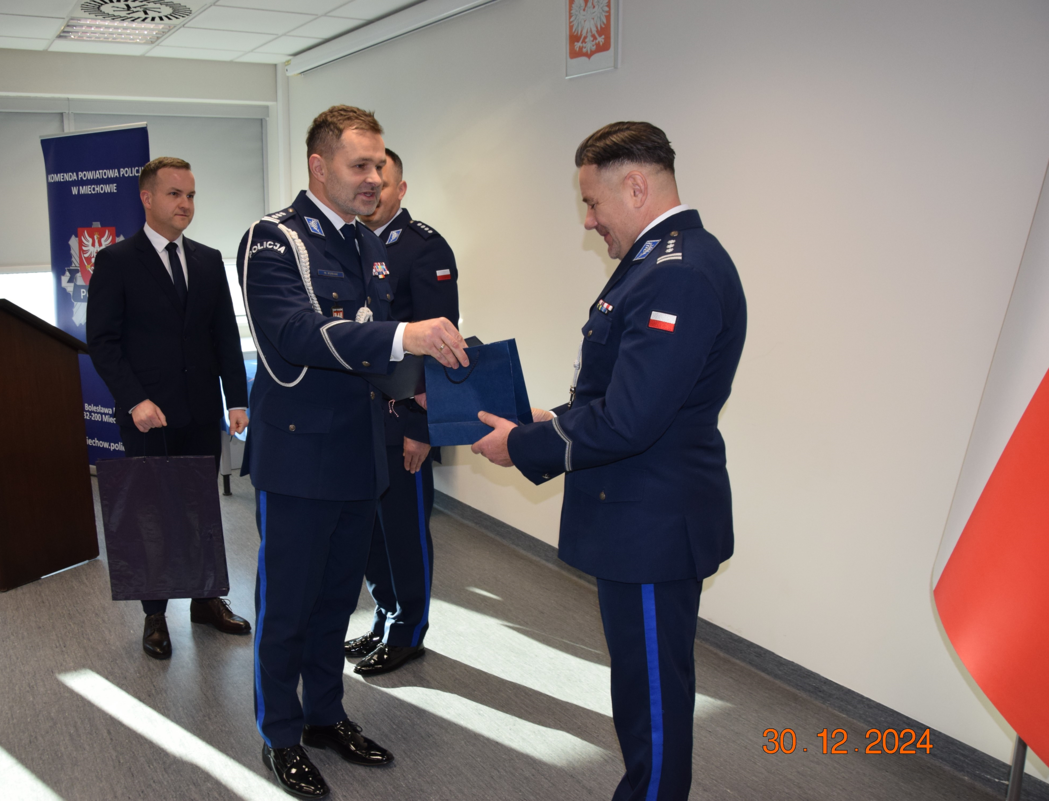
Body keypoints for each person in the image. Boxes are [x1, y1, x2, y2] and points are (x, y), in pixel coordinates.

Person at [472, 121, 747, 801]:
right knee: (642, 688)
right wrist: (549, 421)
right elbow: (624, 395)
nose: (589, 221)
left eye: (593, 203)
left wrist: (522, 446)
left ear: (636, 186)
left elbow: (630, 419)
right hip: (639, 514)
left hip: (652, 523)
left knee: (652, 699)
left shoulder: (676, 273)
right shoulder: (661, 262)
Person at [238, 106, 467, 800]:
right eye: (359, 165)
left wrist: (434, 389)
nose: (373, 177)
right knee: (288, 606)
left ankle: (324, 714)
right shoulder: (274, 239)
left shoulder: (366, 243)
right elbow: (297, 333)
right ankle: (280, 734)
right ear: (319, 166)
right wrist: (405, 338)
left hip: (361, 451)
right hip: (299, 457)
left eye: (379, 166)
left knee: (339, 599)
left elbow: (376, 355)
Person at [86, 156, 251, 660]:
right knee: (151, 513)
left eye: (191, 195)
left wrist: (236, 398)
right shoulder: (116, 261)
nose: (185, 204)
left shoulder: (207, 259)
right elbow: (103, 341)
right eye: (175, 194)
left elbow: (224, 335)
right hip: (147, 415)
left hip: (200, 409)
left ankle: (206, 599)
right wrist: (134, 399)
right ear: (147, 198)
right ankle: (155, 614)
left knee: (202, 508)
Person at [342, 148, 459, 676]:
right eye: (363, 178)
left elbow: (441, 348)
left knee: (404, 533)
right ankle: (385, 617)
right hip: (359, 419)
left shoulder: (424, 247)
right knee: (371, 534)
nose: (370, 189)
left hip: (401, 422)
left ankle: (409, 632)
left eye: (381, 181)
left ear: (401, 189)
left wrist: (420, 428)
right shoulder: (350, 241)